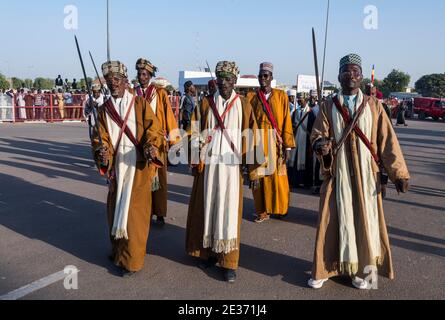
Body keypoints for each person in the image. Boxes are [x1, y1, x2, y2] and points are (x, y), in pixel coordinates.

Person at [307, 54, 410, 290]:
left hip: (367, 176)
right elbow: (317, 134)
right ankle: (325, 268)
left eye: (355, 71)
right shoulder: (327, 106)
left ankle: (361, 271)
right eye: (346, 71)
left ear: (361, 77)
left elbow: (388, 143)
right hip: (338, 174)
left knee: (365, 223)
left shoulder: (374, 106)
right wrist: (320, 144)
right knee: (331, 221)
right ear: (339, 76)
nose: (351, 75)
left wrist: (399, 174)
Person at [186, 61, 261, 283]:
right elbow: (194, 130)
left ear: (234, 81)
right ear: (216, 80)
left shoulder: (244, 105)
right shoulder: (206, 103)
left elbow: (253, 137)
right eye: (220, 79)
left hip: (231, 169)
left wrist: (254, 172)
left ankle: (228, 261)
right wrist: (194, 153)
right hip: (208, 167)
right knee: (208, 208)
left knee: (228, 213)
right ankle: (208, 252)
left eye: (228, 79)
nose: (224, 83)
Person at [90, 60, 165, 278]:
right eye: (109, 80)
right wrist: (102, 151)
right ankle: (118, 252)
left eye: (116, 79)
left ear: (125, 81)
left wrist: (151, 146)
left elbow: (155, 129)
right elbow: (100, 137)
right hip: (117, 169)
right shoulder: (105, 110)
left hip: (138, 168)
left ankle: (132, 261)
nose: (112, 83)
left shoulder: (140, 104)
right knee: (115, 211)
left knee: (134, 216)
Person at [247, 62, 295, 223]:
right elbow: (247, 121)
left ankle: (281, 209)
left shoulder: (281, 96)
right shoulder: (251, 97)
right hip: (257, 143)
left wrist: (287, 146)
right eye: (260, 76)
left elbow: (287, 121)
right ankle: (262, 211)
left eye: (265, 76)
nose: (262, 78)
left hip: (276, 144)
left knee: (278, 178)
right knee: (258, 178)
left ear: (271, 78)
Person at [135, 58, 180, 226]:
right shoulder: (134, 94)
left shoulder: (159, 93)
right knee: (142, 179)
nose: (142, 77)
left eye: (145, 74)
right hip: (139, 142)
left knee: (159, 179)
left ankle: (160, 212)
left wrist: (175, 140)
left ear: (150, 75)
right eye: (139, 74)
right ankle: (145, 211)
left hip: (158, 142)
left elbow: (169, 115)